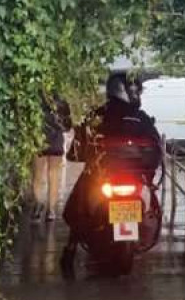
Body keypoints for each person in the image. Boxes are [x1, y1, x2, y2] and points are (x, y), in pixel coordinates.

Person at [62, 73, 161, 264]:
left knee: (79, 202)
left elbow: (78, 147)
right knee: (81, 200)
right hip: (131, 177)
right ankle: (71, 247)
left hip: (107, 176)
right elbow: (156, 151)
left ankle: (70, 248)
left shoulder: (98, 116)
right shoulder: (141, 118)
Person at [31, 94, 72, 222]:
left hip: (39, 140)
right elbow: (68, 124)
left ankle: (38, 205)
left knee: (38, 175)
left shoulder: (34, 99)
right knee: (53, 175)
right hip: (56, 141)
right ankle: (51, 211)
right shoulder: (60, 100)